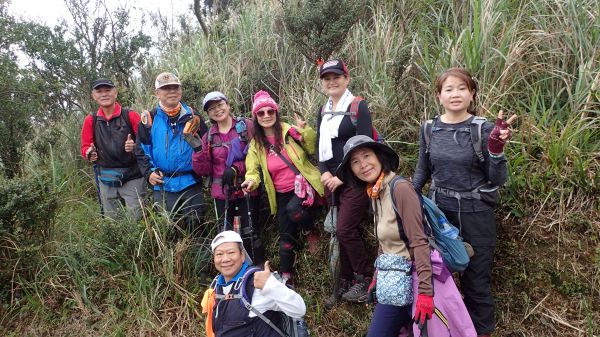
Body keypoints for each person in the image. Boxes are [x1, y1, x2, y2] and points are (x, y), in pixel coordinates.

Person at [412, 67, 517, 337]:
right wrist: (409, 201)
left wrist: (495, 150)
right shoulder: (429, 129)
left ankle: (480, 332)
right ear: (439, 96)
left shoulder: (483, 129)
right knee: (440, 278)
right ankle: (447, 330)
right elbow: (423, 171)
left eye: (462, 88)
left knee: (476, 282)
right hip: (439, 216)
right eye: (449, 89)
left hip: (475, 214)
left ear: (472, 94)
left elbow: (498, 179)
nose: (455, 94)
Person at [336, 135, 433, 336]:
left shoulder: (400, 188)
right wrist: (376, 277)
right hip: (395, 283)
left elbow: (419, 241)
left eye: (366, 156)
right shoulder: (375, 192)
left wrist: (425, 293)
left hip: (415, 279)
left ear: (379, 157)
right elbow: (384, 243)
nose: (363, 165)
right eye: (355, 161)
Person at [241, 90, 324, 287]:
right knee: (285, 236)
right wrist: (250, 181)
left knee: (293, 210)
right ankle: (287, 277)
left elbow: (313, 148)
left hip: (304, 186)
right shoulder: (256, 145)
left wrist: (305, 131)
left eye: (271, 111)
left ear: (276, 113)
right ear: (256, 117)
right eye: (261, 113)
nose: (266, 115)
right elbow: (252, 170)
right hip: (280, 193)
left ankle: (312, 230)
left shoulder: (289, 132)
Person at [316, 59, 374, 303]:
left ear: (346, 78)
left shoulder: (358, 106)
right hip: (332, 182)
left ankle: (366, 279)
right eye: (327, 78)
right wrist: (324, 172)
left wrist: (341, 176)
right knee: (337, 233)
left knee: (344, 229)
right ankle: (346, 280)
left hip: (355, 180)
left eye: (336, 76)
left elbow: (365, 148)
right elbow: (319, 144)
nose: (332, 81)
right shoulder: (323, 110)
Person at [192, 91, 265, 265]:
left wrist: (236, 168)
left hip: (247, 189)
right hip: (222, 194)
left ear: (228, 105)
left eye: (220, 105)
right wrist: (197, 150)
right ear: (208, 114)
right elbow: (203, 170)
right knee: (226, 236)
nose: (217, 110)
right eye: (212, 109)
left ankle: (256, 269)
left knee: (251, 232)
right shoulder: (208, 137)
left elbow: (259, 155)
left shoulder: (247, 126)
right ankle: (233, 273)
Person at [135, 72, 208, 237]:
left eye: (175, 87)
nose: (172, 92)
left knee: (197, 231)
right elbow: (142, 151)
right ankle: (172, 263)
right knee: (167, 234)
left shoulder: (194, 116)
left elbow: (207, 146)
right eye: (166, 88)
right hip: (163, 185)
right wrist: (148, 173)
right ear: (157, 93)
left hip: (191, 183)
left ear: (181, 90)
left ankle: (201, 261)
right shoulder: (149, 119)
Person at [201, 230, 306, 337]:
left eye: (231, 252)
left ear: (242, 255)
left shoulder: (256, 283)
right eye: (219, 254)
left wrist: (270, 285)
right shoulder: (216, 286)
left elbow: (299, 309)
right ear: (214, 259)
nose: (225, 259)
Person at [80, 78, 146, 221]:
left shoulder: (130, 115)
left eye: (108, 90)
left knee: (137, 219)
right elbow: (85, 146)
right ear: (94, 96)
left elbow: (146, 142)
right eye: (99, 91)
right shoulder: (91, 120)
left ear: (115, 93)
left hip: (133, 176)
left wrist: (134, 146)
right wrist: (89, 153)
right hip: (106, 177)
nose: (104, 94)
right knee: (112, 222)